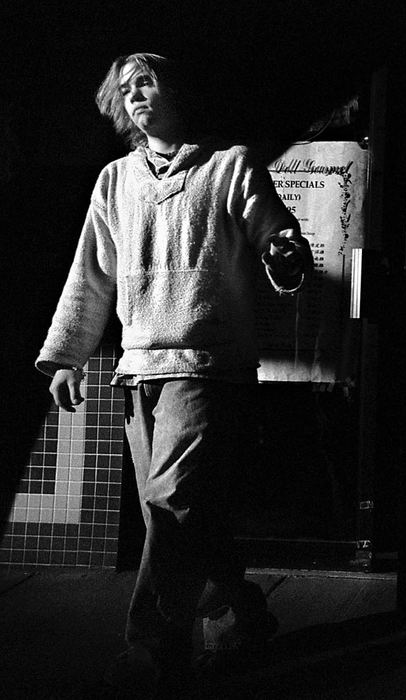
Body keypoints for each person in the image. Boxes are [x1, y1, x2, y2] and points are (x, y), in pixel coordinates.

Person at [35, 53, 312, 696]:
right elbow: (91, 276)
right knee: (190, 518)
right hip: (139, 372)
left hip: (208, 367)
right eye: (124, 88)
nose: (135, 95)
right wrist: (64, 355)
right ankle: (237, 617)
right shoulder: (114, 181)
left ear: (178, 90)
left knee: (169, 505)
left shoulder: (229, 165)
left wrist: (284, 252)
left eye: (148, 81)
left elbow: (277, 235)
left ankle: (152, 648)